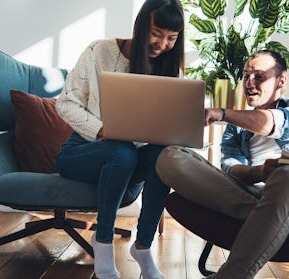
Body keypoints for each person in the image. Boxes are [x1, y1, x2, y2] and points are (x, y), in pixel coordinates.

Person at [156, 49, 289, 279]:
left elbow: (275, 124)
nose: (249, 83)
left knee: (288, 173)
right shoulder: (237, 129)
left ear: (281, 80)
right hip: (254, 194)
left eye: (259, 76)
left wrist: (223, 113)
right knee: (170, 157)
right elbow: (230, 169)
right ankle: (272, 215)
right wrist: (260, 171)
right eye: (246, 75)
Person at [55, 1, 184, 278]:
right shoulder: (100, 51)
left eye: (171, 38)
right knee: (121, 150)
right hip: (82, 152)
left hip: (129, 157)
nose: (162, 44)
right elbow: (65, 104)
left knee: (163, 157)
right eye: (157, 33)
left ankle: (143, 247)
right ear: (140, 26)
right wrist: (103, 130)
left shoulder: (168, 68)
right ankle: (102, 242)